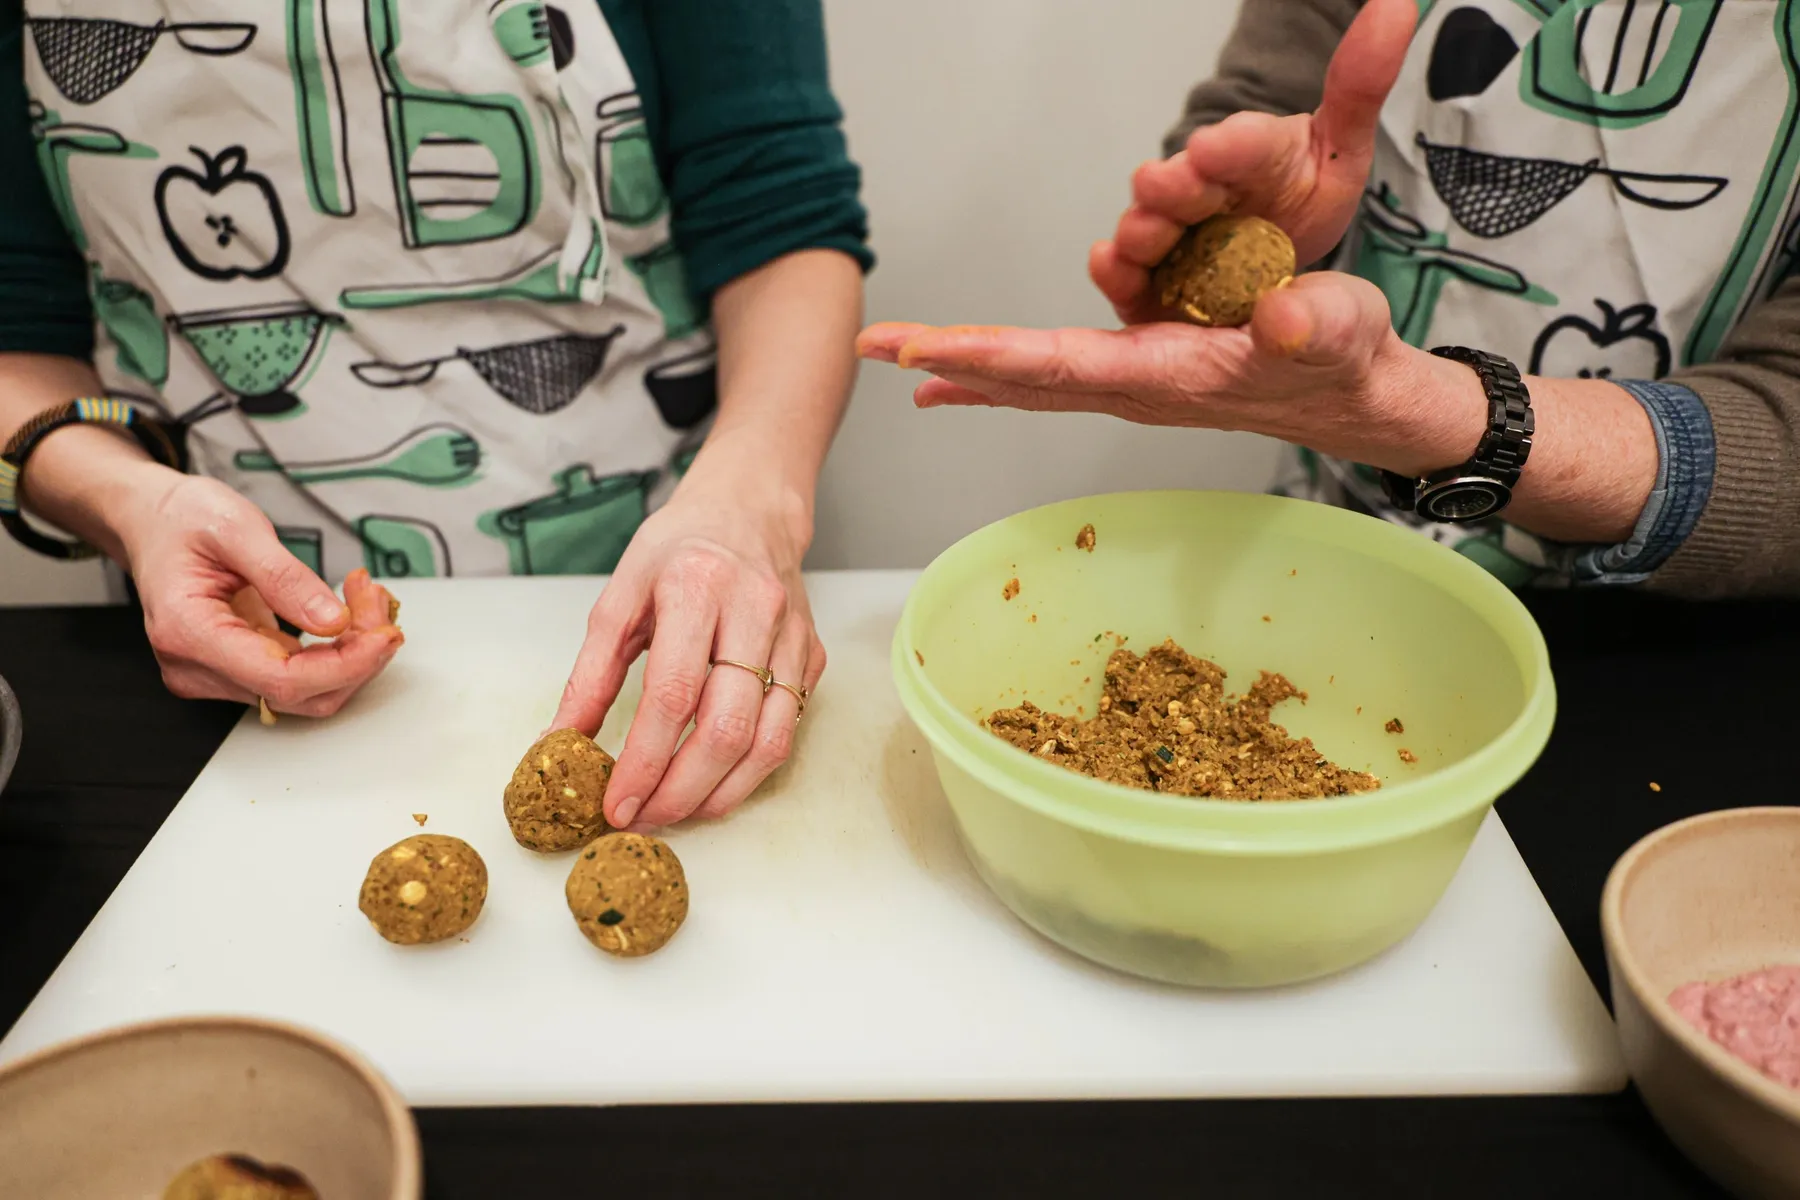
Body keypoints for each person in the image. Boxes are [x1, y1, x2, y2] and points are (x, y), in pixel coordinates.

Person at [0, 0, 871, 828]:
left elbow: (778, 213)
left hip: (660, 588)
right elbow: (17, 320)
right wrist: (129, 504)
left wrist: (751, 506)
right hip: (211, 651)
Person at [860, 0, 1800, 598]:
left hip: (1679, 658)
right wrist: (1243, 209)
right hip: (1340, 564)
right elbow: (1265, 107)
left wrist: (1432, 413)